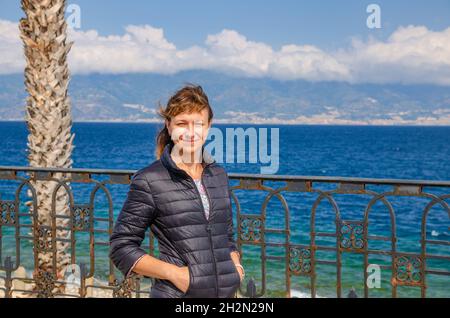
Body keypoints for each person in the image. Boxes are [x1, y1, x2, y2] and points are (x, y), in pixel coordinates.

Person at [109, 84, 244, 298]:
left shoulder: (218, 175)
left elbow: (225, 234)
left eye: (198, 124)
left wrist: (236, 268)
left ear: (208, 127)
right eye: (182, 123)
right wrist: (174, 274)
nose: (191, 132)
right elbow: (121, 246)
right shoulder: (150, 180)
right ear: (169, 126)